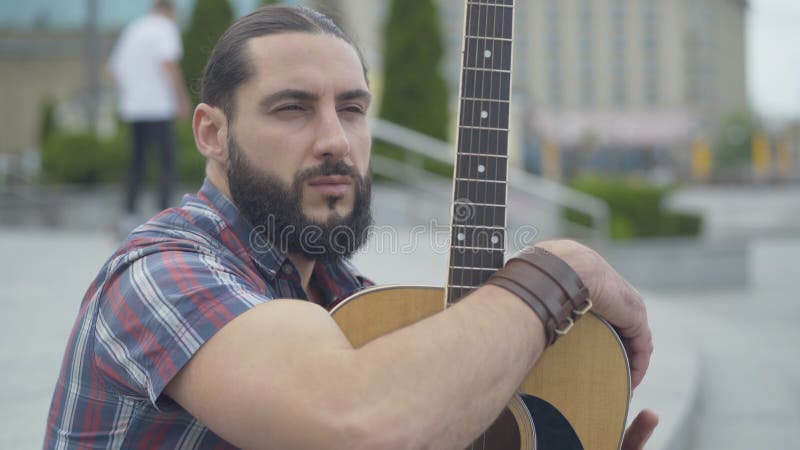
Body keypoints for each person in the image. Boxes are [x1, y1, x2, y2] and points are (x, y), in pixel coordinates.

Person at [46, 5, 657, 449]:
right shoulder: (160, 274)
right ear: (211, 132)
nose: (336, 141)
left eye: (353, 109)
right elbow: (355, 422)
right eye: (292, 108)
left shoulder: (354, 301)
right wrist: (563, 269)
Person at [108, 0, 191, 227]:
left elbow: (114, 72)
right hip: (159, 107)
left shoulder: (133, 29)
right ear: (169, 11)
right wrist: (181, 98)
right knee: (166, 162)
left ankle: (128, 213)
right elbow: (168, 63)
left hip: (134, 108)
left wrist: (132, 91)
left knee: (138, 162)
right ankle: (163, 215)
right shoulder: (164, 28)